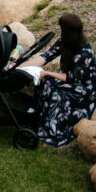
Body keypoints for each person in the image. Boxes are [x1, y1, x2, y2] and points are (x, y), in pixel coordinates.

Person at [20, 14, 96, 146]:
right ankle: (35, 116)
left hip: (84, 90)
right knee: (45, 81)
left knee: (52, 87)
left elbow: (72, 77)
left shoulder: (84, 53)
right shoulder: (64, 42)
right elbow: (45, 57)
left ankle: (52, 129)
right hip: (71, 82)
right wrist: (19, 67)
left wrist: (48, 73)